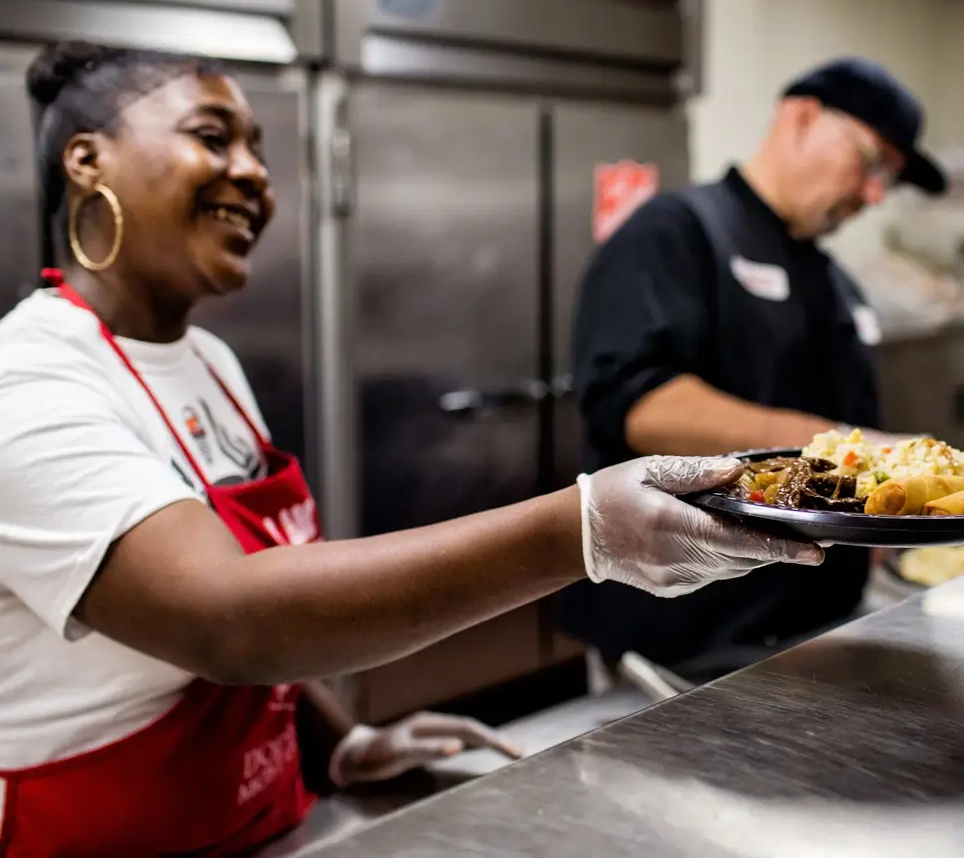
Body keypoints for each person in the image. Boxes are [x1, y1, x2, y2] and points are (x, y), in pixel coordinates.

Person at [0, 41, 822, 858]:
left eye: (258, 147)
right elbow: (228, 619)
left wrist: (343, 746)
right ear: (86, 159)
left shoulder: (209, 362)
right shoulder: (29, 381)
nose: (254, 173)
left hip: (266, 823)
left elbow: (268, 624)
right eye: (214, 138)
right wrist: (586, 530)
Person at [562, 57, 948, 678]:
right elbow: (640, 406)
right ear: (800, 118)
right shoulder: (676, 232)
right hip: (686, 629)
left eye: (890, 180)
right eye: (871, 162)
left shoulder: (836, 285)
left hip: (813, 629)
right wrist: (844, 450)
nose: (874, 195)